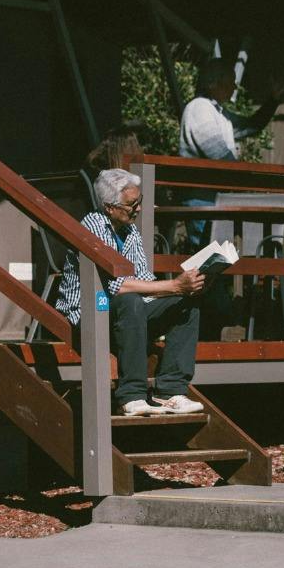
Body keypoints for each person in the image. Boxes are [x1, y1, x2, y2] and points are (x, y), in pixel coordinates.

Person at [54, 167, 205, 416]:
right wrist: (174, 285)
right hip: (90, 311)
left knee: (185, 304)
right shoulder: (92, 227)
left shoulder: (129, 229)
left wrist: (185, 288)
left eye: (139, 202)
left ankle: (170, 391)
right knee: (131, 301)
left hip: (126, 312)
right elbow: (117, 286)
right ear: (109, 207)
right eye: (130, 204)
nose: (137, 209)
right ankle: (131, 396)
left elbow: (143, 280)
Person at [178, 57, 284, 248]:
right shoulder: (199, 107)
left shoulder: (220, 113)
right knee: (209, 255)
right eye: (231, 81)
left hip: (214, 197)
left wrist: (273, 100)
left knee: (218, 255)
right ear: (214, 82)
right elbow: (217, 153)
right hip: (202, 197)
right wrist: (247, 179)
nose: (234, 87)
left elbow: (251, 126)